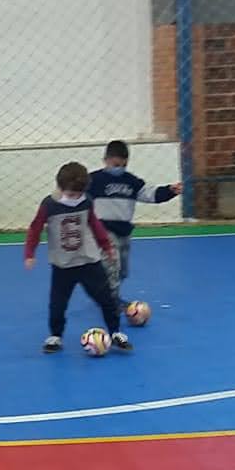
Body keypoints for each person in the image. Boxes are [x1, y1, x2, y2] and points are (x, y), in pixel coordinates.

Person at [25, 162, 132, 354]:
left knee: (106, 298)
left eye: (79, 194)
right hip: (63, 265)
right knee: (57, 304)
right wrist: (30, 253)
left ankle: (115, 332)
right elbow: (35, 228)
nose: (75, 198)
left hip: (89, 261)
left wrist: (106, 246)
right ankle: (55, 336)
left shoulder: (86, 201)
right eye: (71, 194)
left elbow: (95, 224)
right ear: (60, 187)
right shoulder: (49, 205)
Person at [88, 140, 182, 304]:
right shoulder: (93, 180)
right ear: (105, 160)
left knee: (122, 270)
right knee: (112, 264)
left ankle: (104, 290)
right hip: (104, 231)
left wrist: (169, 191)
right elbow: (76, 193)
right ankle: (111, 301)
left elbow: (150, 194)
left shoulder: (131, 181)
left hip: (124, 231)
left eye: (122, 164)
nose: (118, 167)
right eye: (115, 164)